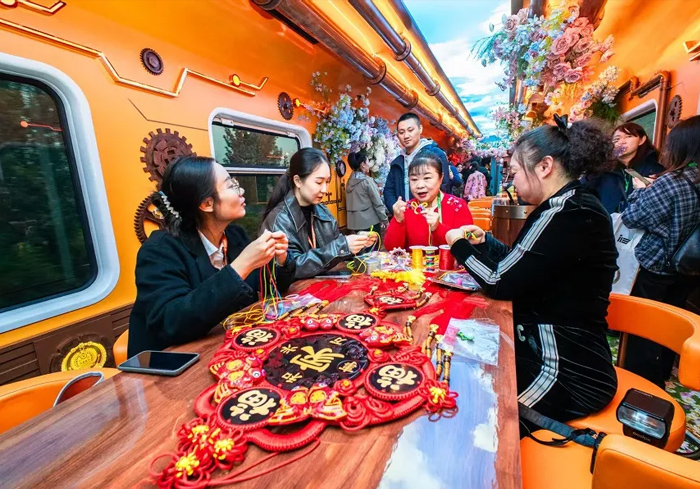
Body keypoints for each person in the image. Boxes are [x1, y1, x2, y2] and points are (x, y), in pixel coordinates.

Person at [445, 118, 618, 425]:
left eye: (514, 172)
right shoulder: (570, 205)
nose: (512, 182)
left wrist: (457, 245)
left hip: (567, 373)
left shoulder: (565, 212)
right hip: (547, 350)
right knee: (463, 368)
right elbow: (523, 266)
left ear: (544, 166)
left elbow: (499, 282)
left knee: (480, 408)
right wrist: (486, 243)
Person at [128, 156, 293, 357]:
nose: (241, 191)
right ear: (207, 203)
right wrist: (242, 265)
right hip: (173, 362)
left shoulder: (235, 236)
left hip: (224, 346)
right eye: (231, 186)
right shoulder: (159, 251)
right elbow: (171, 323)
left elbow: (268, 287)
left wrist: (280, 260)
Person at [621, 115, 700, 387]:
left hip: (658, 266)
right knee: (674, 321)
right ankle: (664, 372)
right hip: (690, 267)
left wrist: (640, 190)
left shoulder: (672, 181)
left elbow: (632, 217)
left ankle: (641, 383)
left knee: (644, 328)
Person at [261, 148, 373, 279]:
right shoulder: (279, 220)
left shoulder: (323, 212)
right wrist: (343, 246)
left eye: (327, 182)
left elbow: (337, 246)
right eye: (319, 182)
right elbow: (291, 269)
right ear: (298, 181)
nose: (324, 189)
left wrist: (358, 242)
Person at [384, 154, 473, 250]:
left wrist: (438, 228)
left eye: (427, 178)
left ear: (441, 178)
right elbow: (391, 249)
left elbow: (466, 246)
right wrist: (398, 221)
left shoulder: (457, 206)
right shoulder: (407, 208)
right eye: (414, 179)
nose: (420, 185)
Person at [582, 122, 663, 213]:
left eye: (628, 136)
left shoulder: (655, 170)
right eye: (617, 139)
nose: (622, 142)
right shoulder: (601, 170)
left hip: (638, 219)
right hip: (606, 220)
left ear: (641, 140)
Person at [382, 113, 451, 213]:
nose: (406, 136)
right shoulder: (397, 162)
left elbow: (443, 185)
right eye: (401, 132)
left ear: (420, 129)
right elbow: (389, 190)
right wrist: (395, 208)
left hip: (430, 215)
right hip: (405, 216)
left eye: (410, 130)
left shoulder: (435, 154)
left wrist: (432, 211)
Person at [345, 152, 388, 233]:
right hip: (370, 223)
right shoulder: (367, 181)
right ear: (363, 164)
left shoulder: (349, 182)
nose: (369, 164)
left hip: (355, 225)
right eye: (368, 161)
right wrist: (385, 220)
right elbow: (377, 203)